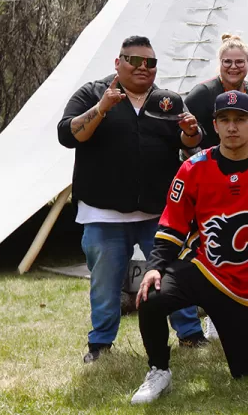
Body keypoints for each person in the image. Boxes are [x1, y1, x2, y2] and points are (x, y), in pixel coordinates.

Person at [130, 90, 248, 404]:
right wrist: (154, 267)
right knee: (151, 296)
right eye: (225, 120)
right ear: (215, 125)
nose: (232, 127)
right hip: (203, 269)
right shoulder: (193, 168)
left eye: (239, 120)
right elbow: (172, 225)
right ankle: (158, 370)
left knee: (246, 373)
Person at [57, 35, 204, 364]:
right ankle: (101, 344)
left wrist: (191, 131)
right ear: (117, 62)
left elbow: (190, 145)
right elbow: (68, 134)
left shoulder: (167, 100)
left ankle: (191, 335)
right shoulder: (92, 93)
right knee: (105, 284)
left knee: (173, 276)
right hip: (103, 213)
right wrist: (102, 108)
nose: (143, 68)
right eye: (134, 60)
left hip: (158, 213)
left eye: (150, 63)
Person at [186, 34, 248, 148]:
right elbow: (183, 139)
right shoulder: (202, 94)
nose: (233, 66)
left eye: (240, 62)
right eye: (227, 62)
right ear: (220, 63)